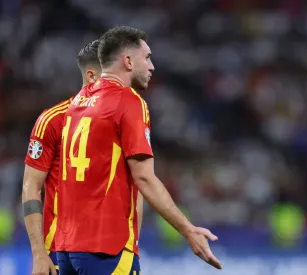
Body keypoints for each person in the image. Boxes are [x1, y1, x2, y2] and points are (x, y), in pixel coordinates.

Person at [55, 26, 222, 275]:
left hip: (67, 247)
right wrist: (188, 229)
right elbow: (143, 176)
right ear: (128, 61)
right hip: (105, 248)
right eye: (147, 57)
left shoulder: (78, 102)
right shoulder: (129, 102)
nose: (152, 66)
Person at [22, 39, 102, 275]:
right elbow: (30, 186)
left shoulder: (125, 121)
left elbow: (135, 187)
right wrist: (38, 254)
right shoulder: (53, 120)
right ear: (92, 77)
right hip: (59, 253)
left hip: (112, 253)